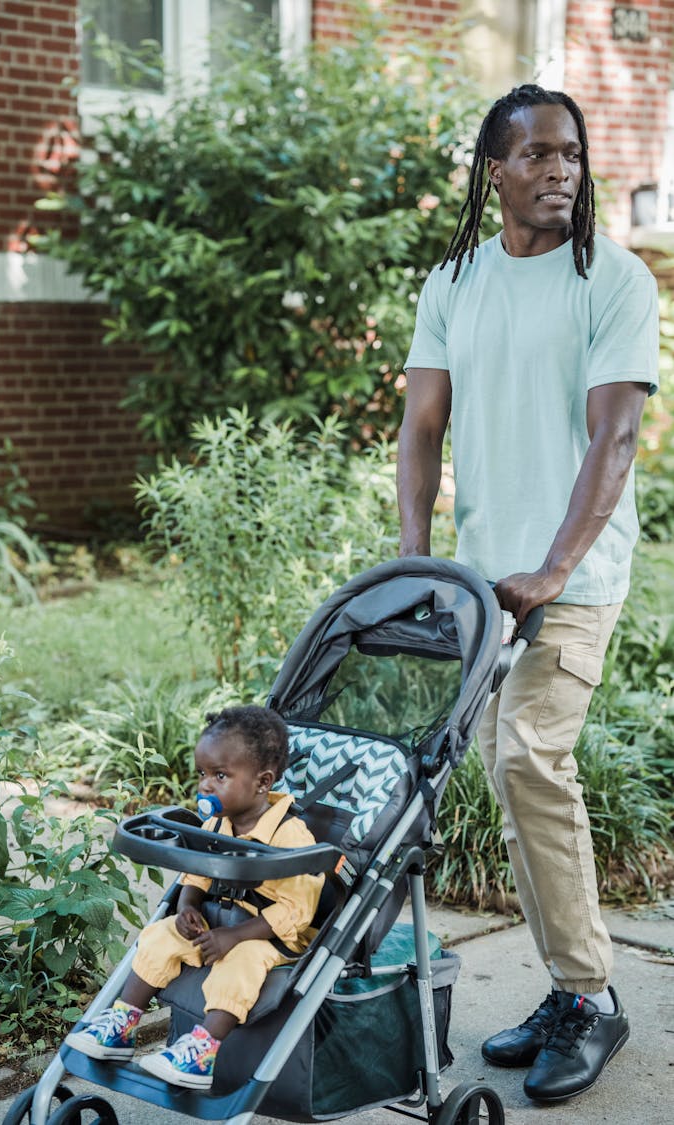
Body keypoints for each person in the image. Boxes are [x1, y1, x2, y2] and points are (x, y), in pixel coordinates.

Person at [397, 84, 658, 1104]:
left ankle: (590, 997)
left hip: (575, 574)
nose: (561, 171)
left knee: (527, 757)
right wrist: (418, 560)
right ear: (493, 171)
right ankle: (569, 987)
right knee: (515, 787)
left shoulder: (614, 279)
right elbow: (422, 429)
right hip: (481, 582)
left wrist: (554, 569)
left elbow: (618, 435)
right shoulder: (456, 280)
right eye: (539, 155)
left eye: (573, 155)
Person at [66, 705, 323, 1089]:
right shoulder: (215, 824)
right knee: (158, 935)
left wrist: (235, 936)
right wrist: (187, 906)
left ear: (262, 781)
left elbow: (296, 912)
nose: (205, 785)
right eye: (203, 773)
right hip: (216, 921)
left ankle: (201, 1052)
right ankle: (121, 1025)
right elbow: (197, 874)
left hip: (269, 939)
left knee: (243, 962)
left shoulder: (292, 838)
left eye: (220, 775)